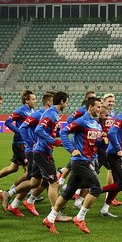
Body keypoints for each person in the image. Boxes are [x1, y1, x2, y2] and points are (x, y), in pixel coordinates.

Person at [42, 96, 107, 234]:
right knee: (96, 188)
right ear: (90, 107)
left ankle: (50, 218)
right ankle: (80, 217)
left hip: (87, 160)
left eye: (101, 107)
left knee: (69, 191)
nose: (100, 109)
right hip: (80, 161)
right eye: (98, 107)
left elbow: (93, 143)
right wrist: (72, 149)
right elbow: (64, 132)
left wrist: (103, 141)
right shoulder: (82, 121)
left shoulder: (96, 124)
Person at [2, 91, 67, 218]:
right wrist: (30, 143)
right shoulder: (39, 114)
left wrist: (62, 134)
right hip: (36, 150)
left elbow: (49, 133)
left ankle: (13, 198)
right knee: (47, 180)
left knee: (35, 181)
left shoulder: (49, 114)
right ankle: (54, 211)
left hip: (39, 150)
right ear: (50, 101)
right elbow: (23, 129)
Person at [0, 90, 35, 195]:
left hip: (25, 142)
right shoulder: (20, 110)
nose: (35, 101)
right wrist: (19, 132)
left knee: (13, 168)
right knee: (29, 171)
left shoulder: (31, 111)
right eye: (33, 99)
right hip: (20, 143)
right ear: (26, 100)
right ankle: (22, 192)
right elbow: (8, 122)